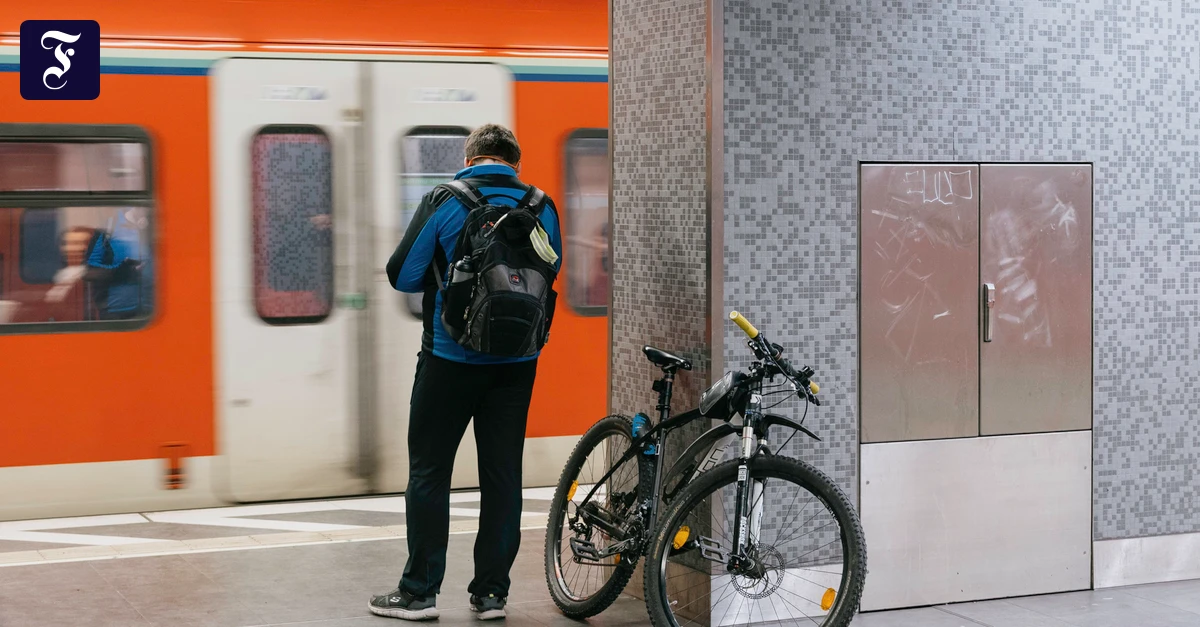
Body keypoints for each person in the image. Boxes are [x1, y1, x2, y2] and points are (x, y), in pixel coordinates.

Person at [372, 124, 562, 621]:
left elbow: (402, 274)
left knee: (430, 473)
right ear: (514, 162)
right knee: (503, 477)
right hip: (517, 366)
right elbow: (550, 272)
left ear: (470, 157)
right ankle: (491, 595)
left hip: (449, 361)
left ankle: (419, 593)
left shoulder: (447, 198)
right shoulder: (542, 206)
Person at [84, 208, 150, 320]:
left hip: (153, 311)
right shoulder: (109, 227)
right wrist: (123, 271)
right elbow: (89, 269)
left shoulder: (155, 226)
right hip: (116, 311)